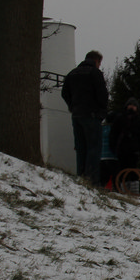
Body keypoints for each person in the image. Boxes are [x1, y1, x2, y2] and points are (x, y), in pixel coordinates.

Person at [60, 50, 108, 185]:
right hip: (91, 115)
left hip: (77, 116)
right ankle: (91, 181)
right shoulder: (95, 73)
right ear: (97, 61)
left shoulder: (72, 73)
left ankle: (81, 178)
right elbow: (103, 95)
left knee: (81, 148)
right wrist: (101, 112)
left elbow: (64, 93)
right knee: (94, 148)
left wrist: (72, 106)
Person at [112, 97, 140, 176]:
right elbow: (113, 134)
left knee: (132, 171)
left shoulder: (139, 121)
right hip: (122, 150)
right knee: (121, 171)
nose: (132, 107)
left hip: (134, 151)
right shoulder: (120, 119)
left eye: (134, 105)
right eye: (130, 104)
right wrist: (114, 147)